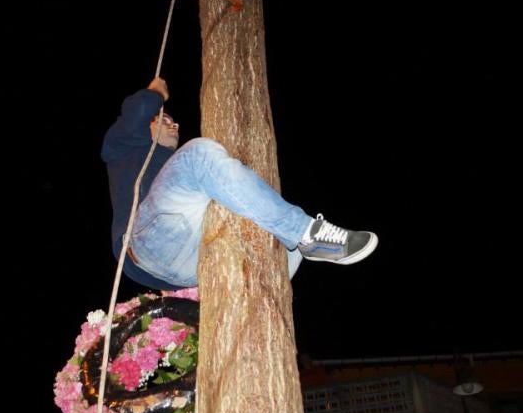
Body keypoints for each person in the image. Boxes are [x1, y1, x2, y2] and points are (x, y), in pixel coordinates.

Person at [101, 77, 378, 290]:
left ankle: (267, 285)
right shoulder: (124, 147)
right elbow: (137, 111)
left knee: (276, 240)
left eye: (174, 121)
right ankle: (307, 233)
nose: (173, 125)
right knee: (198, 153)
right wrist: (156, 93)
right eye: (163, 120)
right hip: (146, 242)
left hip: (183, 268)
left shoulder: (182, 181)